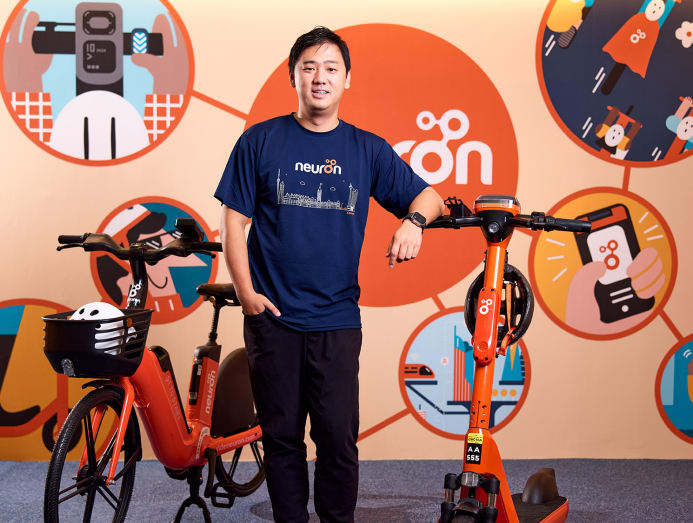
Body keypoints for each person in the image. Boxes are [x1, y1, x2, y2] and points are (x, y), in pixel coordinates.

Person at [214, 26, 445, 522]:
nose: (320, 77)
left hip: (337, 319)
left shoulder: (366, 149)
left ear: (346, 79)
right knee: (281, 438)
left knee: (338, 439)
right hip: (272, 317)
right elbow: (232, 222)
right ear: (293, 76)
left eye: (331, 68)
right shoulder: (260, 141)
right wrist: (247, 295)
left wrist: (413, 222)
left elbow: (430, 197)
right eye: (309, 68)